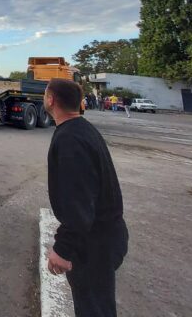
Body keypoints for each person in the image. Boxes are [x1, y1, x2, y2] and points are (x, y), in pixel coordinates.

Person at [45, 78, 128, 317]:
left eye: (45, 94)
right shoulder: (82, 129)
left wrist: (63, 248)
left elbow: (78, 200)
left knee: (94, 309)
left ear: (51, 100)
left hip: (94, 244)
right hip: (105, 236)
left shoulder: (70, 139)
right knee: (95, 304)